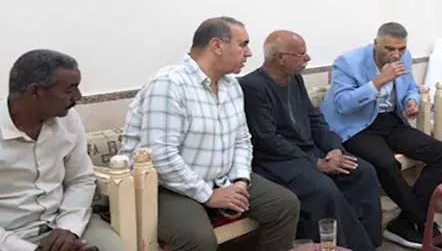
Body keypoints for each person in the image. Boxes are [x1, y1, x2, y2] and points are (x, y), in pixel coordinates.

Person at [119, 17, 300, 251]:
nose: (249, 53)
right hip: (166, 186)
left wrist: (240, 180)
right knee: (197, 239)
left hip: (221, 178)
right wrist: (208, 195)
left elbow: (242, 140)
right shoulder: (170, 83)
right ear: (217, 46)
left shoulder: (231, 86)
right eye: (242, 45)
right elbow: (160, 155)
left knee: (284, 205)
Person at [240, 30, 382, 251]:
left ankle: (368, 243)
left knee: (362, 172)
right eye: (301, 54)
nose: (307, 58)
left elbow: (315, 119)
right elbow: (267, 139)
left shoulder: (294, 78)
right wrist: (315, 163)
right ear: (280, 58)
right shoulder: (252, 86)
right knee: (324, 191)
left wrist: (334, 149)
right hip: (277, 161)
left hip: (309, 152)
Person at [320, 22, 442, 249]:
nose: (396, 55)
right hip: (356, 125)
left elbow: (409, 87)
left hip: (389, 120)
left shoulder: (404, 57)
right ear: (376, 43)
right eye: (389, 49)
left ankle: (404, 222)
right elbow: (343, 104)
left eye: (401, 49)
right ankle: (421, 220)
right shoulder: (348, 62)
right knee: (386, 164)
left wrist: (410, 101)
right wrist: (378, 81)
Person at [1, 49, 127, 251]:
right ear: (35, 91)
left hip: (64, 224)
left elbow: (81, 179)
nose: (78, 97)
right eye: (70, 90)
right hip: (10, 237)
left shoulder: (68, 120)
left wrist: (69, 228)